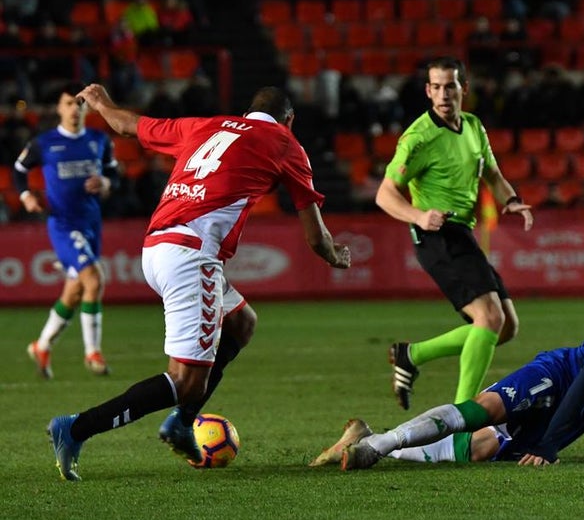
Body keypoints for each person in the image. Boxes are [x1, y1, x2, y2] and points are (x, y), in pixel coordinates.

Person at [45, 85, 351, 481]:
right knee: (185, 382)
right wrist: (334, 255)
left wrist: (102, 102)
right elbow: (315, 236)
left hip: (156, 247)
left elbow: (128, 126)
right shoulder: (284, 143)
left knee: (241, 323)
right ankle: (75, 428)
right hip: (192, 256)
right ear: (289, 121)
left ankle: (181, 424)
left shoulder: (205, 126)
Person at [309, 297, 584, 470]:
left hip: (582, 411)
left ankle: (371, 437)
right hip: (565, 373)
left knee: (483, 450)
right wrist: (548, 442)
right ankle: (378, 447)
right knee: (486, 409)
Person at [376, 57, 533, 413]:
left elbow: (492, 173)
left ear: (464, 88)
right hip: (437, 236)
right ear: (428, 91)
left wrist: (512, 201)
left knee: (506, 327)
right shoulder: (419, 137)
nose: (443, 94)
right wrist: (419, 215)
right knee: (490, 319)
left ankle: (411, 354)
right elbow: (384, 193)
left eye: (450, 86)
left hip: (462, 234)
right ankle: (461, 419)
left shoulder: (474, 127)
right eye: (436, 87)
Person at [16, 84, 118, 379]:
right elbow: (19, 170)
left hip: (91, 222)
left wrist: (106, 183)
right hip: (63, 223)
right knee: (94, 278)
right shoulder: (44, 143)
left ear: (87, 108)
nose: (75, 109)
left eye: (79, 104)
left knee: (75, 292)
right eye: (68, 104)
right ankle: (92, 352)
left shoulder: (99, 140)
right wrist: (26, 197)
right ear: (59, 109)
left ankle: (42, 345)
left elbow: (113, 174)